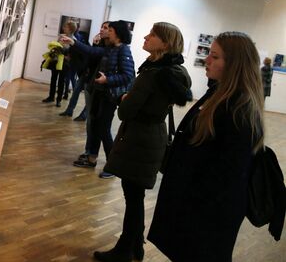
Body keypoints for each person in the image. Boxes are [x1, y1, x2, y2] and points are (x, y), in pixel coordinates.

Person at [148, 31, 265, 262]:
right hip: (192, 205)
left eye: (215, 56)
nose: (207, 60)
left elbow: (227, 175)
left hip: (205, 214)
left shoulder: (238, 110)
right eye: (209, 54)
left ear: (234, 65)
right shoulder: (219, 94)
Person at [93, 22, 192, 261]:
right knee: (135, 195)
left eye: (153, 35)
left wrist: (125, 97)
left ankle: (125, 249)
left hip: (140, 138)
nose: (146, 37)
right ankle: (135, 245)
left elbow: (126, 110)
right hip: (151, 136)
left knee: (133, 197)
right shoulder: (172, 72)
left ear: (165, 43)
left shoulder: (154, 74)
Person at [59, 21, 135, 177]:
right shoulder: (110, 49)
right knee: (94, 127)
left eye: (110, 30)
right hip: (99, 93)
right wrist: (73, 42)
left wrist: (108, 80)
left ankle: (112, 165)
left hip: (110, 97)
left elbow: (128, 76)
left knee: (104, 130)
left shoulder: (123, 50)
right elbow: (91, 52)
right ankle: (91, 158)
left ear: (118, 33)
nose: (106, 32)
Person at [42, 22, 76, 107]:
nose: (63, 27)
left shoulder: (74, 40)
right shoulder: (61, 36)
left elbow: (73, 53)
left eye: (66, 26)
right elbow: (56, 47)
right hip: (56, 60)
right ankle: (51, 97)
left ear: (71, 29)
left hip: (65, 63)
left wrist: (67, 55)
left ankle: (59, 100)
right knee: (53, 79)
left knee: (61, 81)